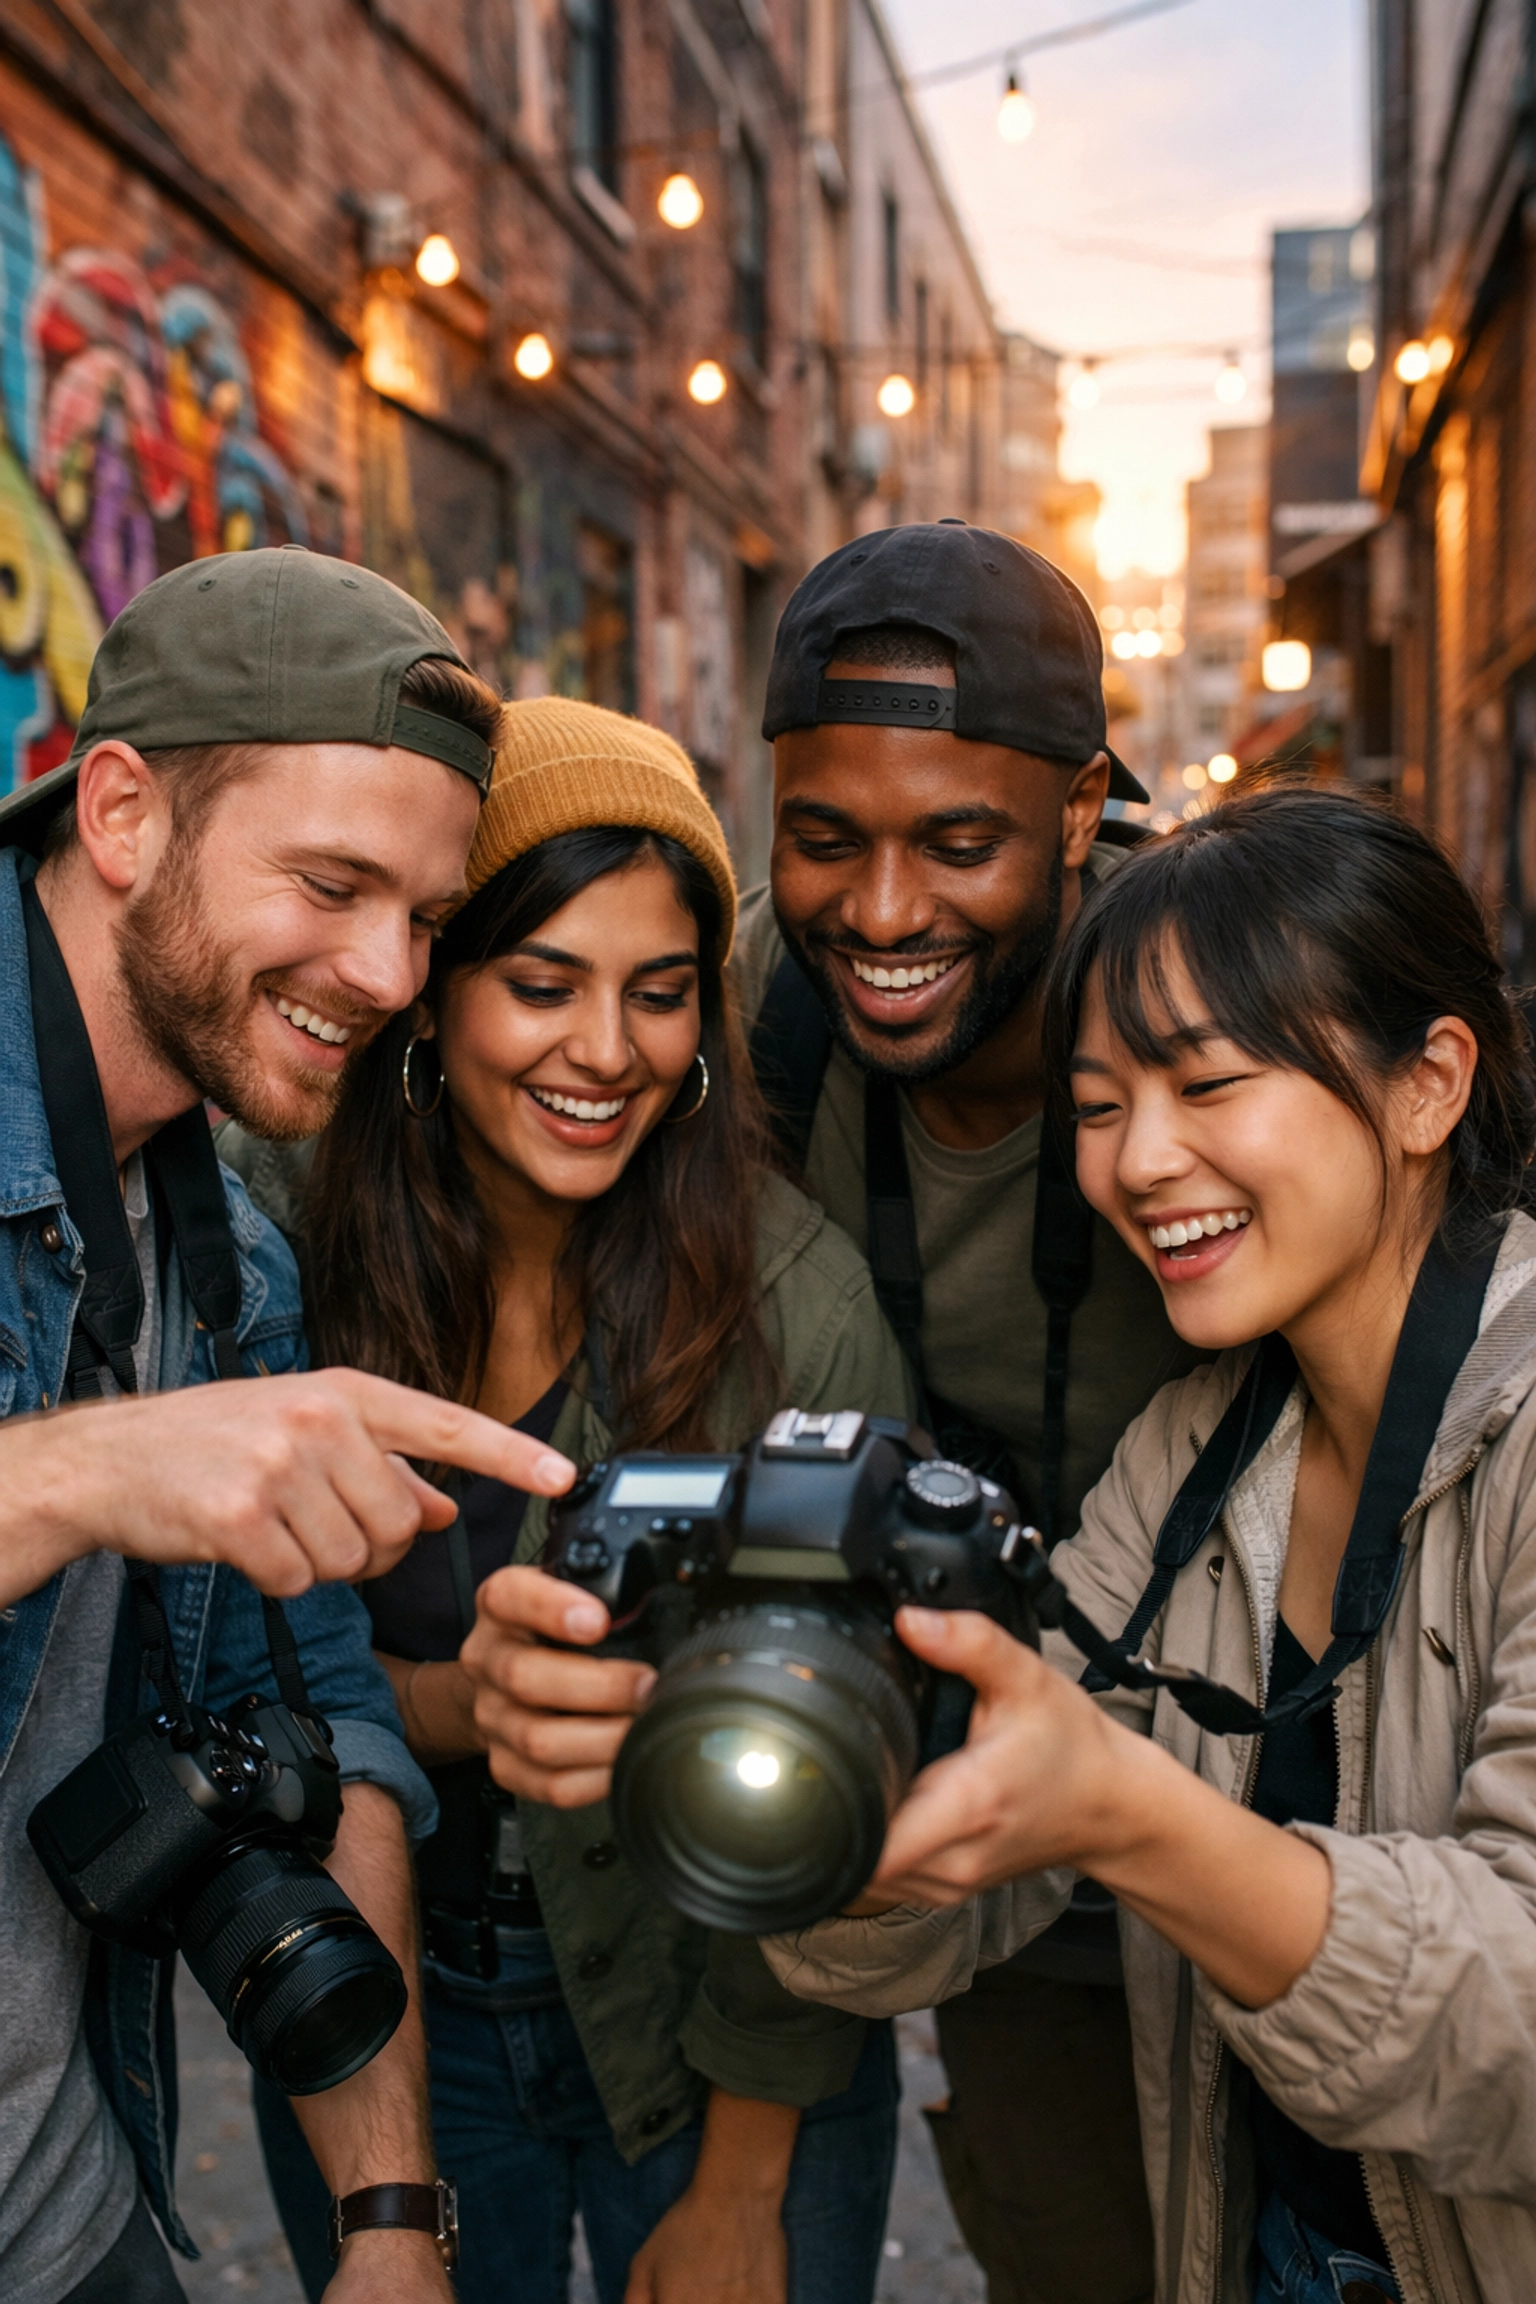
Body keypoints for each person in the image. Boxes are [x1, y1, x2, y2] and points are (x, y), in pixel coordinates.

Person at [467, 521, 1197, 2304]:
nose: (882, 916)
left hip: (1274, 1782)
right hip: (967, 1849)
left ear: (1085, 805)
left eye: (959, 843)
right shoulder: (749, 1046)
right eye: (823, 841)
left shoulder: (1208, 1021)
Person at [760, 783, 1536, 2304]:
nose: (1138, 1164)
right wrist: (821, 1791)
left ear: (1430, 1084)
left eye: (1207, 1084)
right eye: (1101, 1108)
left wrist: (1127, 1814)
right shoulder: (1191, 1450)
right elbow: (973, 1882)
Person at [220, 698, 913, 2304]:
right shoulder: (280, 1257)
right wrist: (464, 1704)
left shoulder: (795, 1301)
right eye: (541, 984)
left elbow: (863, 1767)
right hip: (393, 2029)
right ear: (432, 988)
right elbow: (231, 1678)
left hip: (716, 2023)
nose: (606, 1052)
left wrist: (746, 2187)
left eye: (661, 996)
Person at [0, 547, 574, 2304]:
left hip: (61, 2207)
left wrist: (392, 2224)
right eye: (332, 883)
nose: (393, 972)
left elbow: (321, 1722)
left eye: (427, 915)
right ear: (120, 813)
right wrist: (91, 1469)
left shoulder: (229, 1260)